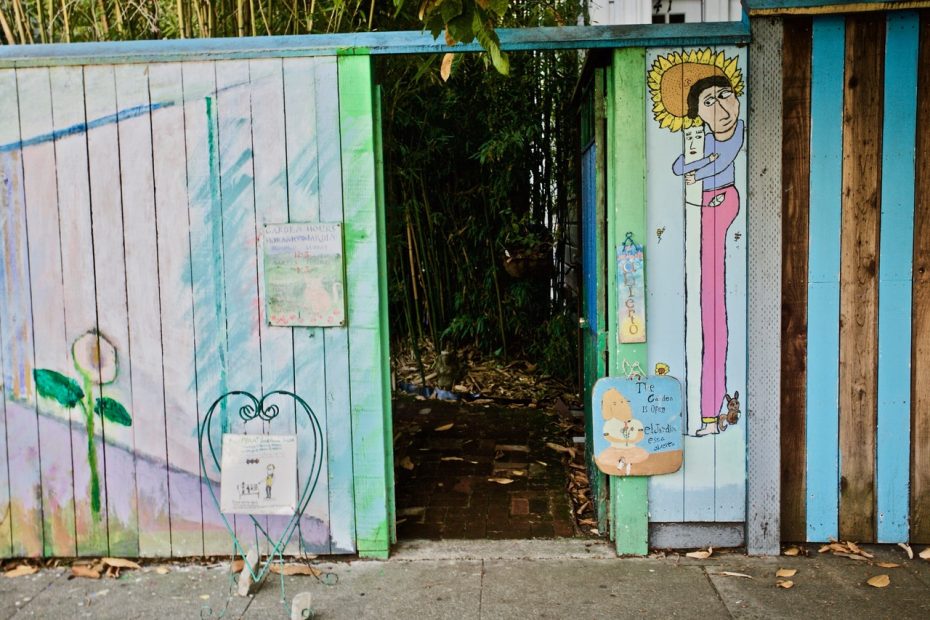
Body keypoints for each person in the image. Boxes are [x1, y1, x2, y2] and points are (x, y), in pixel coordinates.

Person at [671, 74, 744, 436]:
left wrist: (697, 165)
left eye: (725, 95)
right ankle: (709, 415)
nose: (722, 107)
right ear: (698, 114)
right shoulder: (705, 140)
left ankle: (712, 414)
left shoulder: (736, 132)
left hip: (717, 203)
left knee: (712, 309)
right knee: (705, 308)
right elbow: (678, 166)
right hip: (702, 205)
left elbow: (716, 163)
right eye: (709, 102)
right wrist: (697, 162)